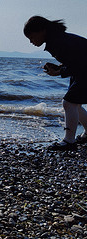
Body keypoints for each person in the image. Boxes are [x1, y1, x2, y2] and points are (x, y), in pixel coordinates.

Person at [24, 15, 87, 151]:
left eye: (31, 37)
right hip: (82, 71)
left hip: (84, 71)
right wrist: (59, 68)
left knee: (69, 103)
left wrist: (59, 71)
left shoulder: (57, 42)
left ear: (41, 30)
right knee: (74, 104)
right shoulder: (58, 38)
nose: (31, 42)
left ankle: (69, 141)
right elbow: (74, 60)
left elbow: (78, 63)